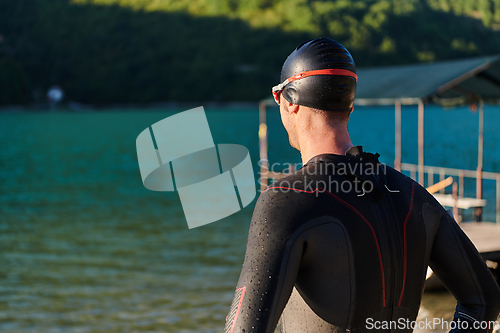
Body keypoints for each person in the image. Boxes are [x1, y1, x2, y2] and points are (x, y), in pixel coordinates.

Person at [224, 37, 500, 333]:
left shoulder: (288, 200)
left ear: (290, 101)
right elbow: (482, 302)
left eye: (278, 96)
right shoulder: (412, 194)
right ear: (350, 107)